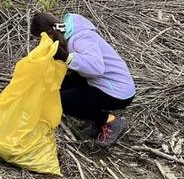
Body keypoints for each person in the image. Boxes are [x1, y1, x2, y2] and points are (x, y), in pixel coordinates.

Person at [30, 11, 135, 147]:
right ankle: (97, 121)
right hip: (99, 81)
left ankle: (111, 121)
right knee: (58, 87)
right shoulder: (67, 34)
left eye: (41, 38)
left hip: (117, 91)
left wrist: (65, 57)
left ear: (50, 34)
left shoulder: (81, 38)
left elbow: (96, 67)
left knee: (62, 101)